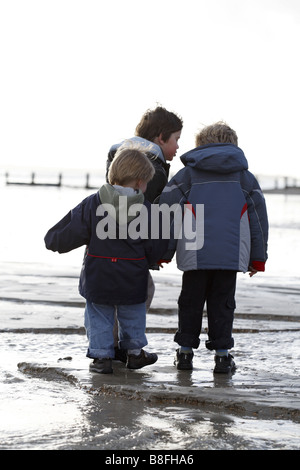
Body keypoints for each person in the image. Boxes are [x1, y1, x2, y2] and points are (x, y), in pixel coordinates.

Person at [44, 143, 168, 374]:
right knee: (133, 314)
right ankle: (134, 354)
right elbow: (157, 246)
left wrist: (53, 239)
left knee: (99, 315)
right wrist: (153, 258)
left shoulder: (93, 203)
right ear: (141, 182)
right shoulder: (148, 210)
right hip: (132, 275)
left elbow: (65, 234)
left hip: (98, 275)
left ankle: (101, 359)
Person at [159, 121, 269, 373]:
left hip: (193, 252)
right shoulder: (245, 178)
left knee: (190, 301)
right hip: (230, 254)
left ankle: (185, 354)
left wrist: (163, 251)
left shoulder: (187, 175)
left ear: (201, 146)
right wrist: (258, 258)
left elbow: (167, 211)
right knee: (223, 303)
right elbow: (258, 222)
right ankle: (222, 357)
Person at [106, 106, 183, 361]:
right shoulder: (155, 169)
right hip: (131, 247)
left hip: (106, 242)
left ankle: (110, 346)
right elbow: (147, 214)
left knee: (112, 295)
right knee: (141, 291)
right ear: (160, 137)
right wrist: (155, 251)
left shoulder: (119, 156)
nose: (177, 148)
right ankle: (123, 347)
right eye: (176, 140)